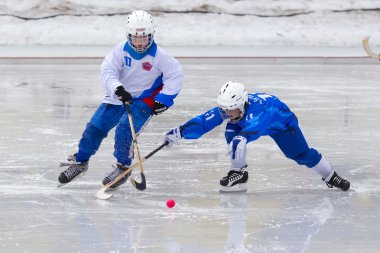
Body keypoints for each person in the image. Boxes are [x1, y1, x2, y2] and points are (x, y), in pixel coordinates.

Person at [58, 10, 184, 188]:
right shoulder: (119, 51)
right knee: (95, 127)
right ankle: (80, 161)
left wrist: (164, 100)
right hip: (119, 96)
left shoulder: (160, 57)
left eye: (144, 38)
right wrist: (117, 88)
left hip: (144, 101)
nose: (139, 42)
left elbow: (175, 76)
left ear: (151, 35)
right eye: (135, 37)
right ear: (128, 35)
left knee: (125, 129)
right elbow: (107, 70)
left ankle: (123, 167)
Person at [165, 81, 350, 192]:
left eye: (232, 110)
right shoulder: (231, 107)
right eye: (225, 110)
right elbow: (205, 121)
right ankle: (239, 172)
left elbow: (256, 126)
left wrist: (243, 137)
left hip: (282, 124)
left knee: (301, 155)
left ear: (243, 103)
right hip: (252, 124)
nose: (228, 113)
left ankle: (330, 176)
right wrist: (180, 132)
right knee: (232, 131)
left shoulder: (260, 111)